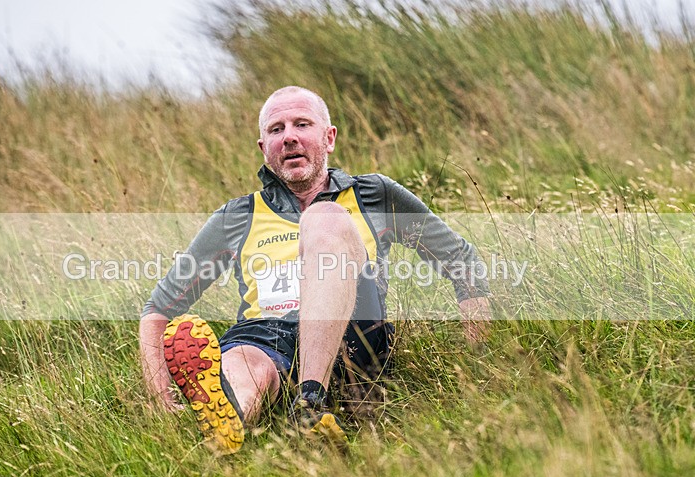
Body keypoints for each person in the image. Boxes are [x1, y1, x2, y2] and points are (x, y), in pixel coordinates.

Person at [139, 86, 491, 454]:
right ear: (264, 149)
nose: (289, 136)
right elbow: (159, 309)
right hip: (266, 336)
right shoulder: (237, 217)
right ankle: (227, 421)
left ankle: (309, 403)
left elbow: (461, 260)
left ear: (329, 137)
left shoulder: (373, 195)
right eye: (276, 130)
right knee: (244, 364)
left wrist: (476, 354)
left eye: (302, 124)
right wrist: (159, 398)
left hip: (353, 338)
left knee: (324, 218)